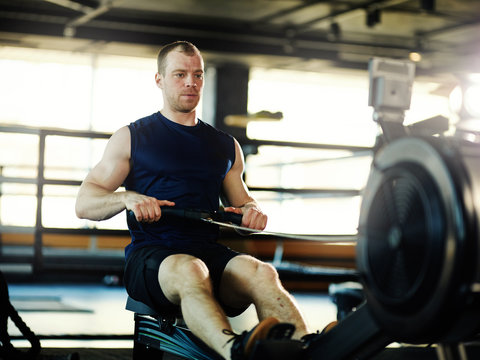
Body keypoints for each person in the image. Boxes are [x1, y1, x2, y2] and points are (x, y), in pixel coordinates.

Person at [75, 40, 310, 360]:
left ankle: (308, 349)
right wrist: (127, 198)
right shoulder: (132, 136)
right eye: (180, 74)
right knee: (190, 269)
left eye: (197, 75)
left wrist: (251, 213)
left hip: (207, 253)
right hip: (152, 256)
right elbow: (85, 203)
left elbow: (244, 203)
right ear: (159, 80)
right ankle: (234, 351)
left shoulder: (225, 145)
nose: (190, 82)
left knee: (262, 273)